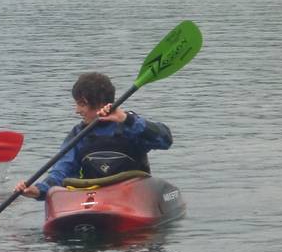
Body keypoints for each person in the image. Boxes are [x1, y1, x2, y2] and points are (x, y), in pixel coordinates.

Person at [14, 72, 173, 201]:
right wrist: (38, 191)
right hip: (94, 200)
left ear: (100, 103)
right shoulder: (78, 134)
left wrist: (127, 119)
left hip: (132, 197)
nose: (77, 110)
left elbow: (165, 139)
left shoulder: (130, 125)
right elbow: (61, 172)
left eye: (81, 104)